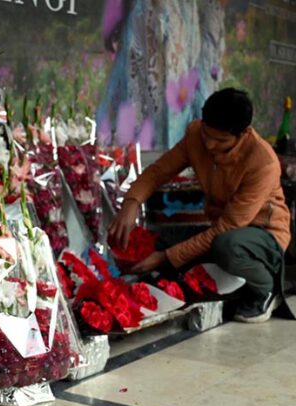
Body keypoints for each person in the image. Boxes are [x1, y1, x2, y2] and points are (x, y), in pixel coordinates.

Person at [108, 88, 291, 323]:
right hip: (220, 230)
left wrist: (165, 257)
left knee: (226, 246)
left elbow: (226, 229)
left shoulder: (262, 163)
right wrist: (131, 203)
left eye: (221, 140)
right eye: (207, 135)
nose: (211, 145)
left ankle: (266, 288)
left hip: (262, 236)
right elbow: (158, 172)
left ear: (243, 133)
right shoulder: (196, 135)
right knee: (161, 239)